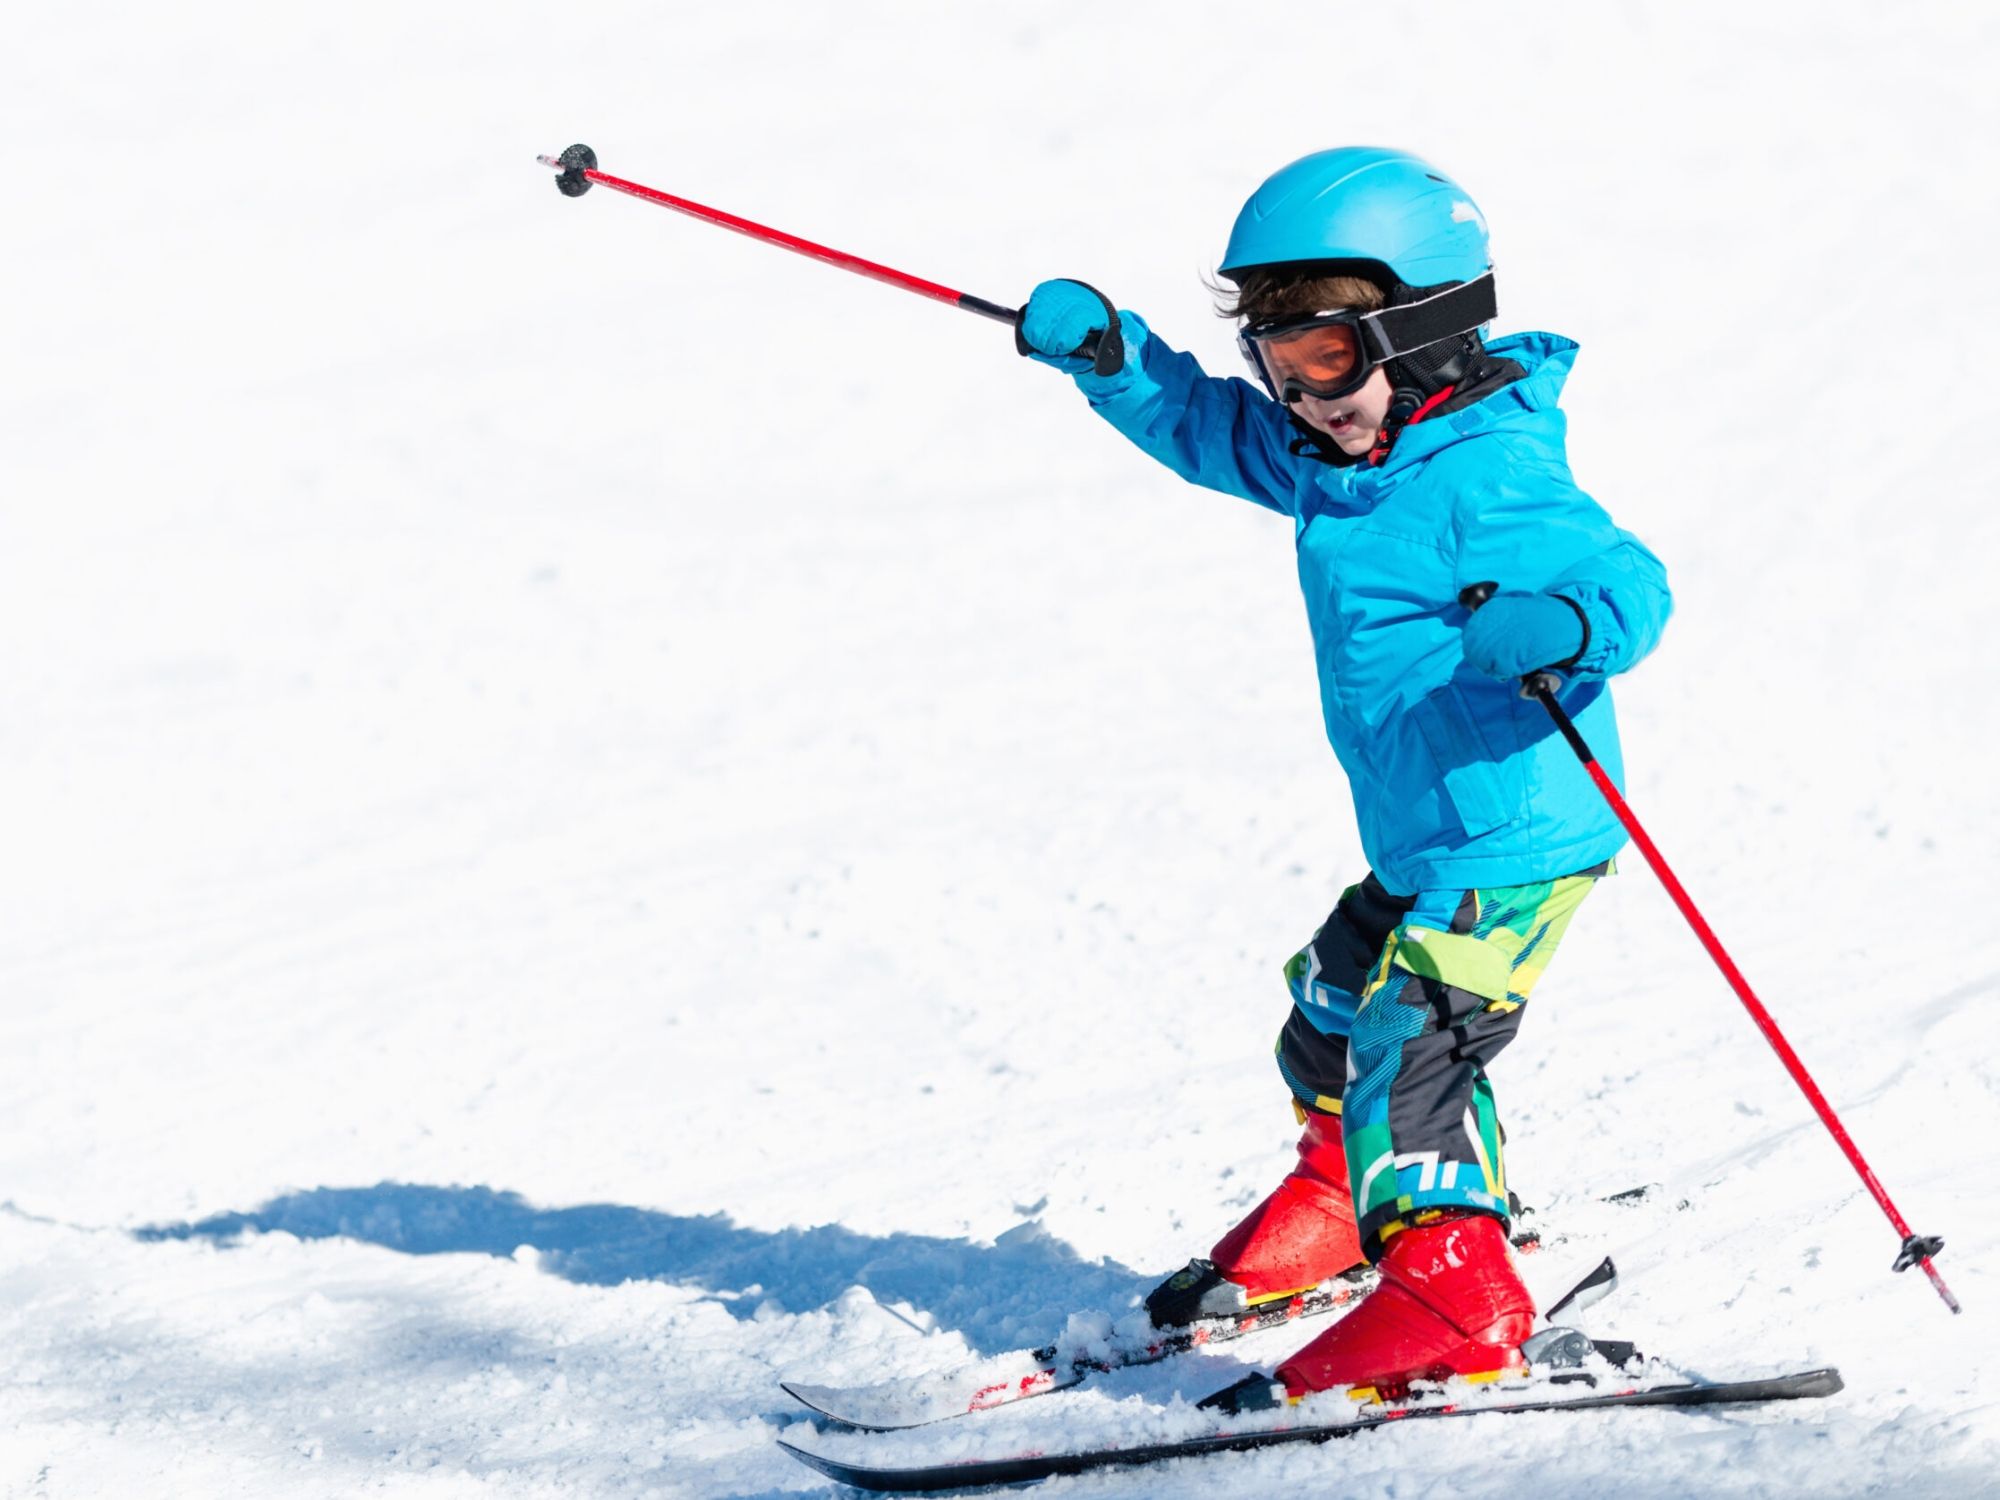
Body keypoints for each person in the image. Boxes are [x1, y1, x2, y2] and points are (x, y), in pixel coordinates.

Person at [1015, 147, 1672, 1407]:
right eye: (1278, 364)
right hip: (1423, 833)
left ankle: (1454, 1298)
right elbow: (1211, 431)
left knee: (1407, 1043)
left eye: (1323, 358)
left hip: (1513, 839)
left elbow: (1625, 579)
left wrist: (1566, 624)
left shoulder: (1486, 473)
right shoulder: (1342, 462)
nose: (1300, 399)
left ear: (1420, 333)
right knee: (1325, 1008)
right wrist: (1113, 359)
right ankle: (1335, 1202)